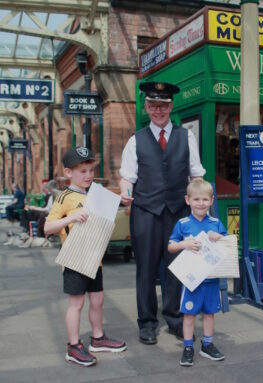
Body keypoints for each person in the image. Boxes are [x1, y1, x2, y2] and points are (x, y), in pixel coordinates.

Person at [120, 81, 206, 345]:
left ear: (171, 106)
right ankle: (147, 323)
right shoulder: (135, 140)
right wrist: (125, 193)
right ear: (146, 107)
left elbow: (196, 174)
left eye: (164, 105)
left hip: (177, 212)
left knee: (176, 268)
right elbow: (127, 177)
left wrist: (203, 208)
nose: (158, 110)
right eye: (153, 105)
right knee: (146, 269)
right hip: (145, 212)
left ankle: (175, 319)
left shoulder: (185, 136)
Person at [44, 146, 126, 367]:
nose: (88, 175)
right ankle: (73, 346)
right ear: (69, 172)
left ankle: (97, 339)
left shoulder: (96, 194)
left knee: (97, 300)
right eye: (82, 171)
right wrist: (70, 219)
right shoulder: (64, 197)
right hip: (75, 259)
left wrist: (122, 202)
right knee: (76, 304)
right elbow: (48, 227)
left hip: (94, 258)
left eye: (91, 170)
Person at [168, 179, 226, 367]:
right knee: (189, 314)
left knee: (210, 313)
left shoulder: (216, 223)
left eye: (204, 199)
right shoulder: (183, 224)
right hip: (191, 281)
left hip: (211, 279)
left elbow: (227, 244)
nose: (200, 203)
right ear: (188, 200)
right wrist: (183, 244)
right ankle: (187, 347)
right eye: (196, 199)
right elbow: (171, 246)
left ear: (211, 200)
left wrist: (219, 238)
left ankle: (207, 344)